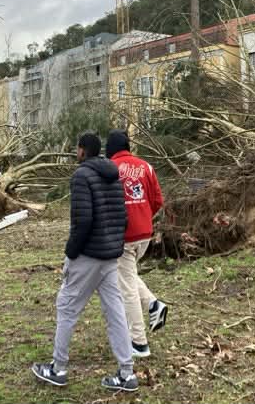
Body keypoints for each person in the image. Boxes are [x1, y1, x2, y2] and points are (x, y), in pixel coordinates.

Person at [31, 132, 139, 392]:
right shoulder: (113, 174)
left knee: (66, 308)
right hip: (110, 256)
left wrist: (71, 252)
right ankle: (127, 373)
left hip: (88, 256)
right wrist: (113, 243)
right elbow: (123, 216)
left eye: (77, 148)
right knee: (115, 313)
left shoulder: (81, 176)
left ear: (82, 150)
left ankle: (58, 368)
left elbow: (83, 220)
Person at [106, 129, 168, 358]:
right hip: (145, 233)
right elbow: (158, 200)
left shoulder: (110, 168)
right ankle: (153, 304)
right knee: (128, 275)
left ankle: (139, 342)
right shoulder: (146, 167)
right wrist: (143, 215)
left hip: (124, 235)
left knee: (127, 288)